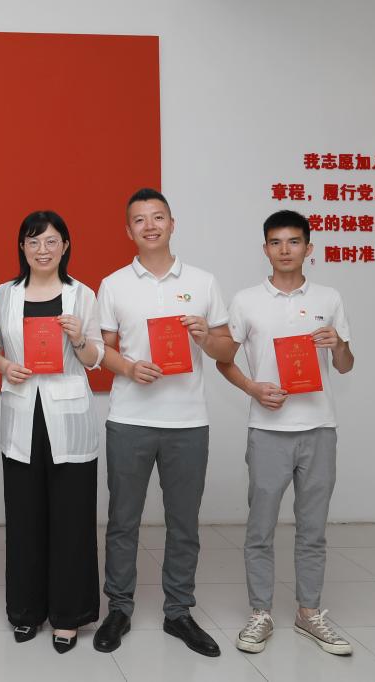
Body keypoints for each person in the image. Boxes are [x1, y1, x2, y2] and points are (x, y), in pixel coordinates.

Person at [93, 188, 236, 658]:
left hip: (188, 421)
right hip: (129, 418)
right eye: (140, 219)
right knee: (123, 520)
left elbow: (225, 350)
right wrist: (129, 367)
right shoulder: (114, 284)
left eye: (158, 217)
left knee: (184, 523)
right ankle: (119, 608)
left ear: (172, 224)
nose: (150, 226)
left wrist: (205, 337)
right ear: (128, 230)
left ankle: (178, 611)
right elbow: (102, 349)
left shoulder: (203, 282)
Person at [217, 210, 355, 656]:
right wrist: (253, 388)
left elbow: (345, 365)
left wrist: (339, 344)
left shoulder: (330, 298)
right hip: (268, 431)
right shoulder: (246, 301)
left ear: (308, 248)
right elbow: (223, 360)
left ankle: (308, 612)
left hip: (319, 429)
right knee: (260, 528)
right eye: (276, 242)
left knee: (313, 529)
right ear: (265, 249)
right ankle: (260, 612)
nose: (285, 250)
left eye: (294, 241)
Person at [0, 211, 104, 653]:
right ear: (22, 247)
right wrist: (5, 366)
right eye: (33, 241)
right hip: (22, 413)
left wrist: (79, 340)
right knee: (24, 517)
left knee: (71, 518)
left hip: (68, 418)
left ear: (65, 246)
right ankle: (25, 611)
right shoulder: (4, 294)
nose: (42, 250)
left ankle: (68, 616)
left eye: (51, 241)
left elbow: (95, 358)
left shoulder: (82, 294)